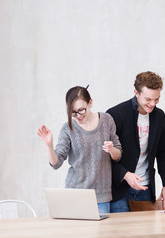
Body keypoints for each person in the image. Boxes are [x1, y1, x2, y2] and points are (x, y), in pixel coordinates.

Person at [37, 86, 122, 214]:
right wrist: (49, 145)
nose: (78, 116)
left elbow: (118, 155)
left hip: (101, 196)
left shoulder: (106, 120)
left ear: (90, 103)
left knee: (101, 233)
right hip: (75, 195)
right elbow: (56, 163)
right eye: (73, 112)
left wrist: (111, 149)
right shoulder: (68, 128)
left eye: (81, 110)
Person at [106, 71, 165, 213]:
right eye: (148, 99)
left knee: (145, 233)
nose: (152, 104)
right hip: (120, 189)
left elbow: (163, 154)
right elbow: (105, 156)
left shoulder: (159, 116)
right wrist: (125, 174)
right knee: (122, 233)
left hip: (146, 189)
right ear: (136, 93)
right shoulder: (115, 114)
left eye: (157, 99)